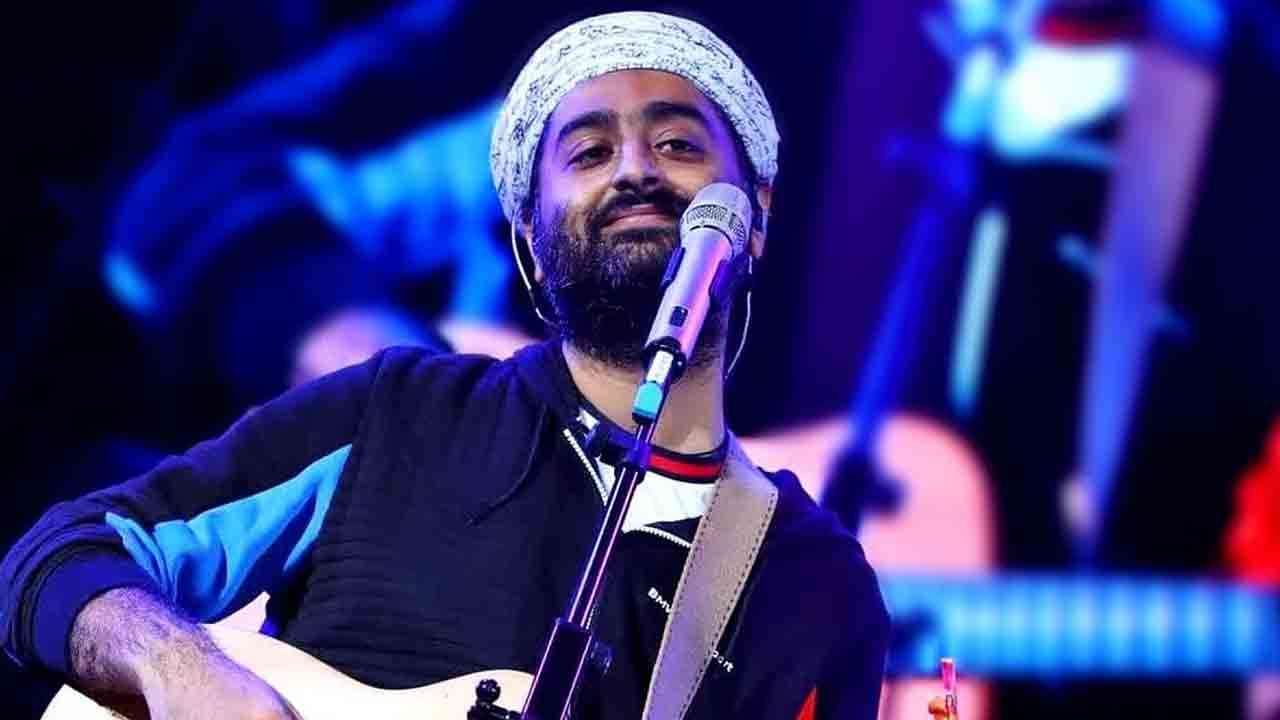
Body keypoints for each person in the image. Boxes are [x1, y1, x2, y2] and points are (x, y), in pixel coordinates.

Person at [0, 11, 889, 720]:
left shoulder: (813, 587)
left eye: (679, 145)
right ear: (530, 243)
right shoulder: (397, 412)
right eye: (588, 152)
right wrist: (179, 667)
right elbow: (64, 554)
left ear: (755, 217)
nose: (634, 171)